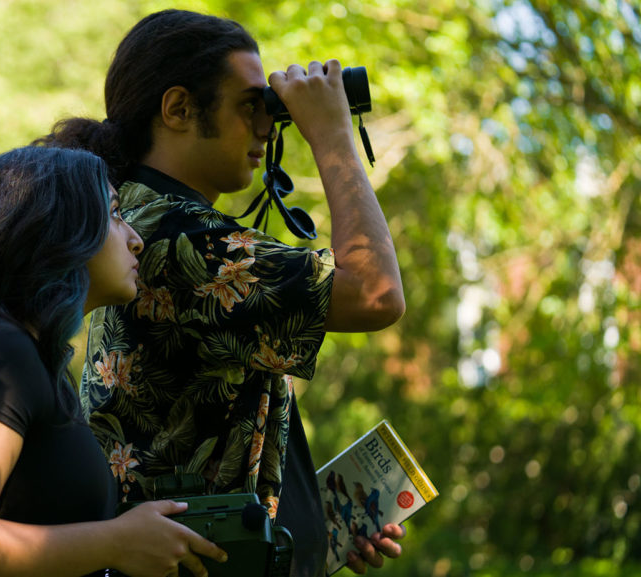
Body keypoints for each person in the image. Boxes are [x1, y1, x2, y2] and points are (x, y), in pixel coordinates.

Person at [37, 10, 407, 577]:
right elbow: (377, 294)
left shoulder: (134, 218)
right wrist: (331, 132)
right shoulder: (179, 242)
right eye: (249, 105)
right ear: (179, 109)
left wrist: (316, 527)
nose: (266, 126)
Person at [0, 146, 230, 577]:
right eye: (115, 214)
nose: (135, 238)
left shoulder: (29, 359)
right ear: (61, 230)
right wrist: (117, 541)